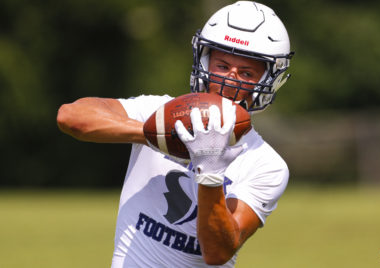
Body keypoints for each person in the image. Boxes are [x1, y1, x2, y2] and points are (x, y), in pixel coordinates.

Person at [57, 1, 294, 267]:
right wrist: (159, 136)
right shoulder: (159, 113)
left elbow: (217, 253)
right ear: (204, 61)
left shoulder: (267, 165)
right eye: (223, 66)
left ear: (265, 83)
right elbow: (71, 117)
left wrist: (211, 173)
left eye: (247, 73)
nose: (230, 79)